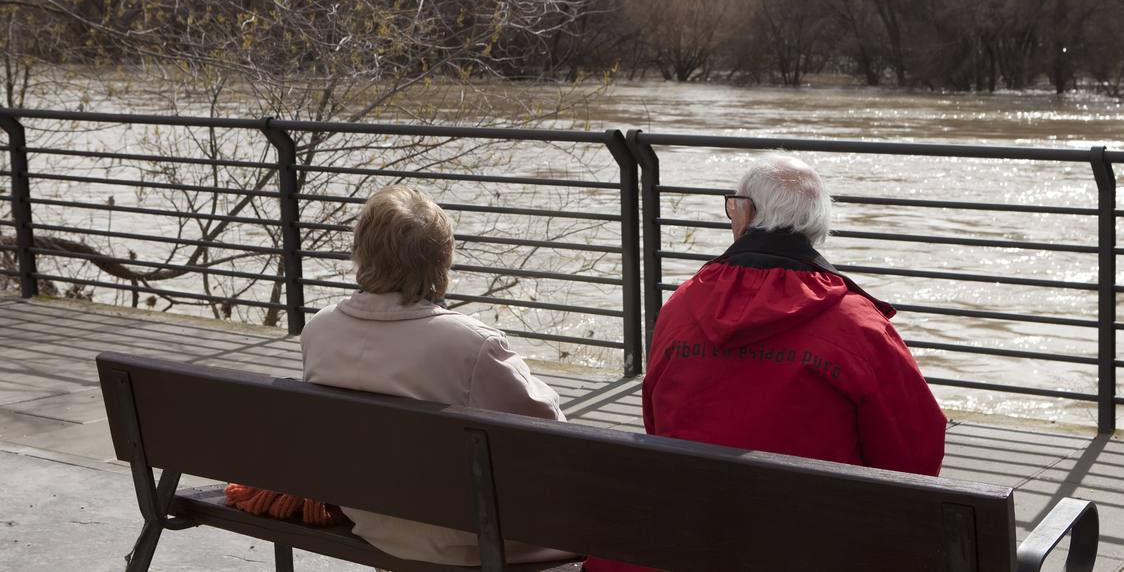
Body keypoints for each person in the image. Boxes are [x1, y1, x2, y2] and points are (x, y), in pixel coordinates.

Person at [585, 154, 945, 572]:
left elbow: (658, 422)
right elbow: (914, 458)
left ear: (747, 214)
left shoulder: (681, 305)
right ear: (816, 225)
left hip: (673, 547)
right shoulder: (857, 325)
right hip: (815, 550)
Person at [301, 185, 576, 567]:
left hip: (373, 522)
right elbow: (555, 436)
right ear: (442, 259)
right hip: (467, 536)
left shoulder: (320, 329)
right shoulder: (471, 344)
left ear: (360, 251)